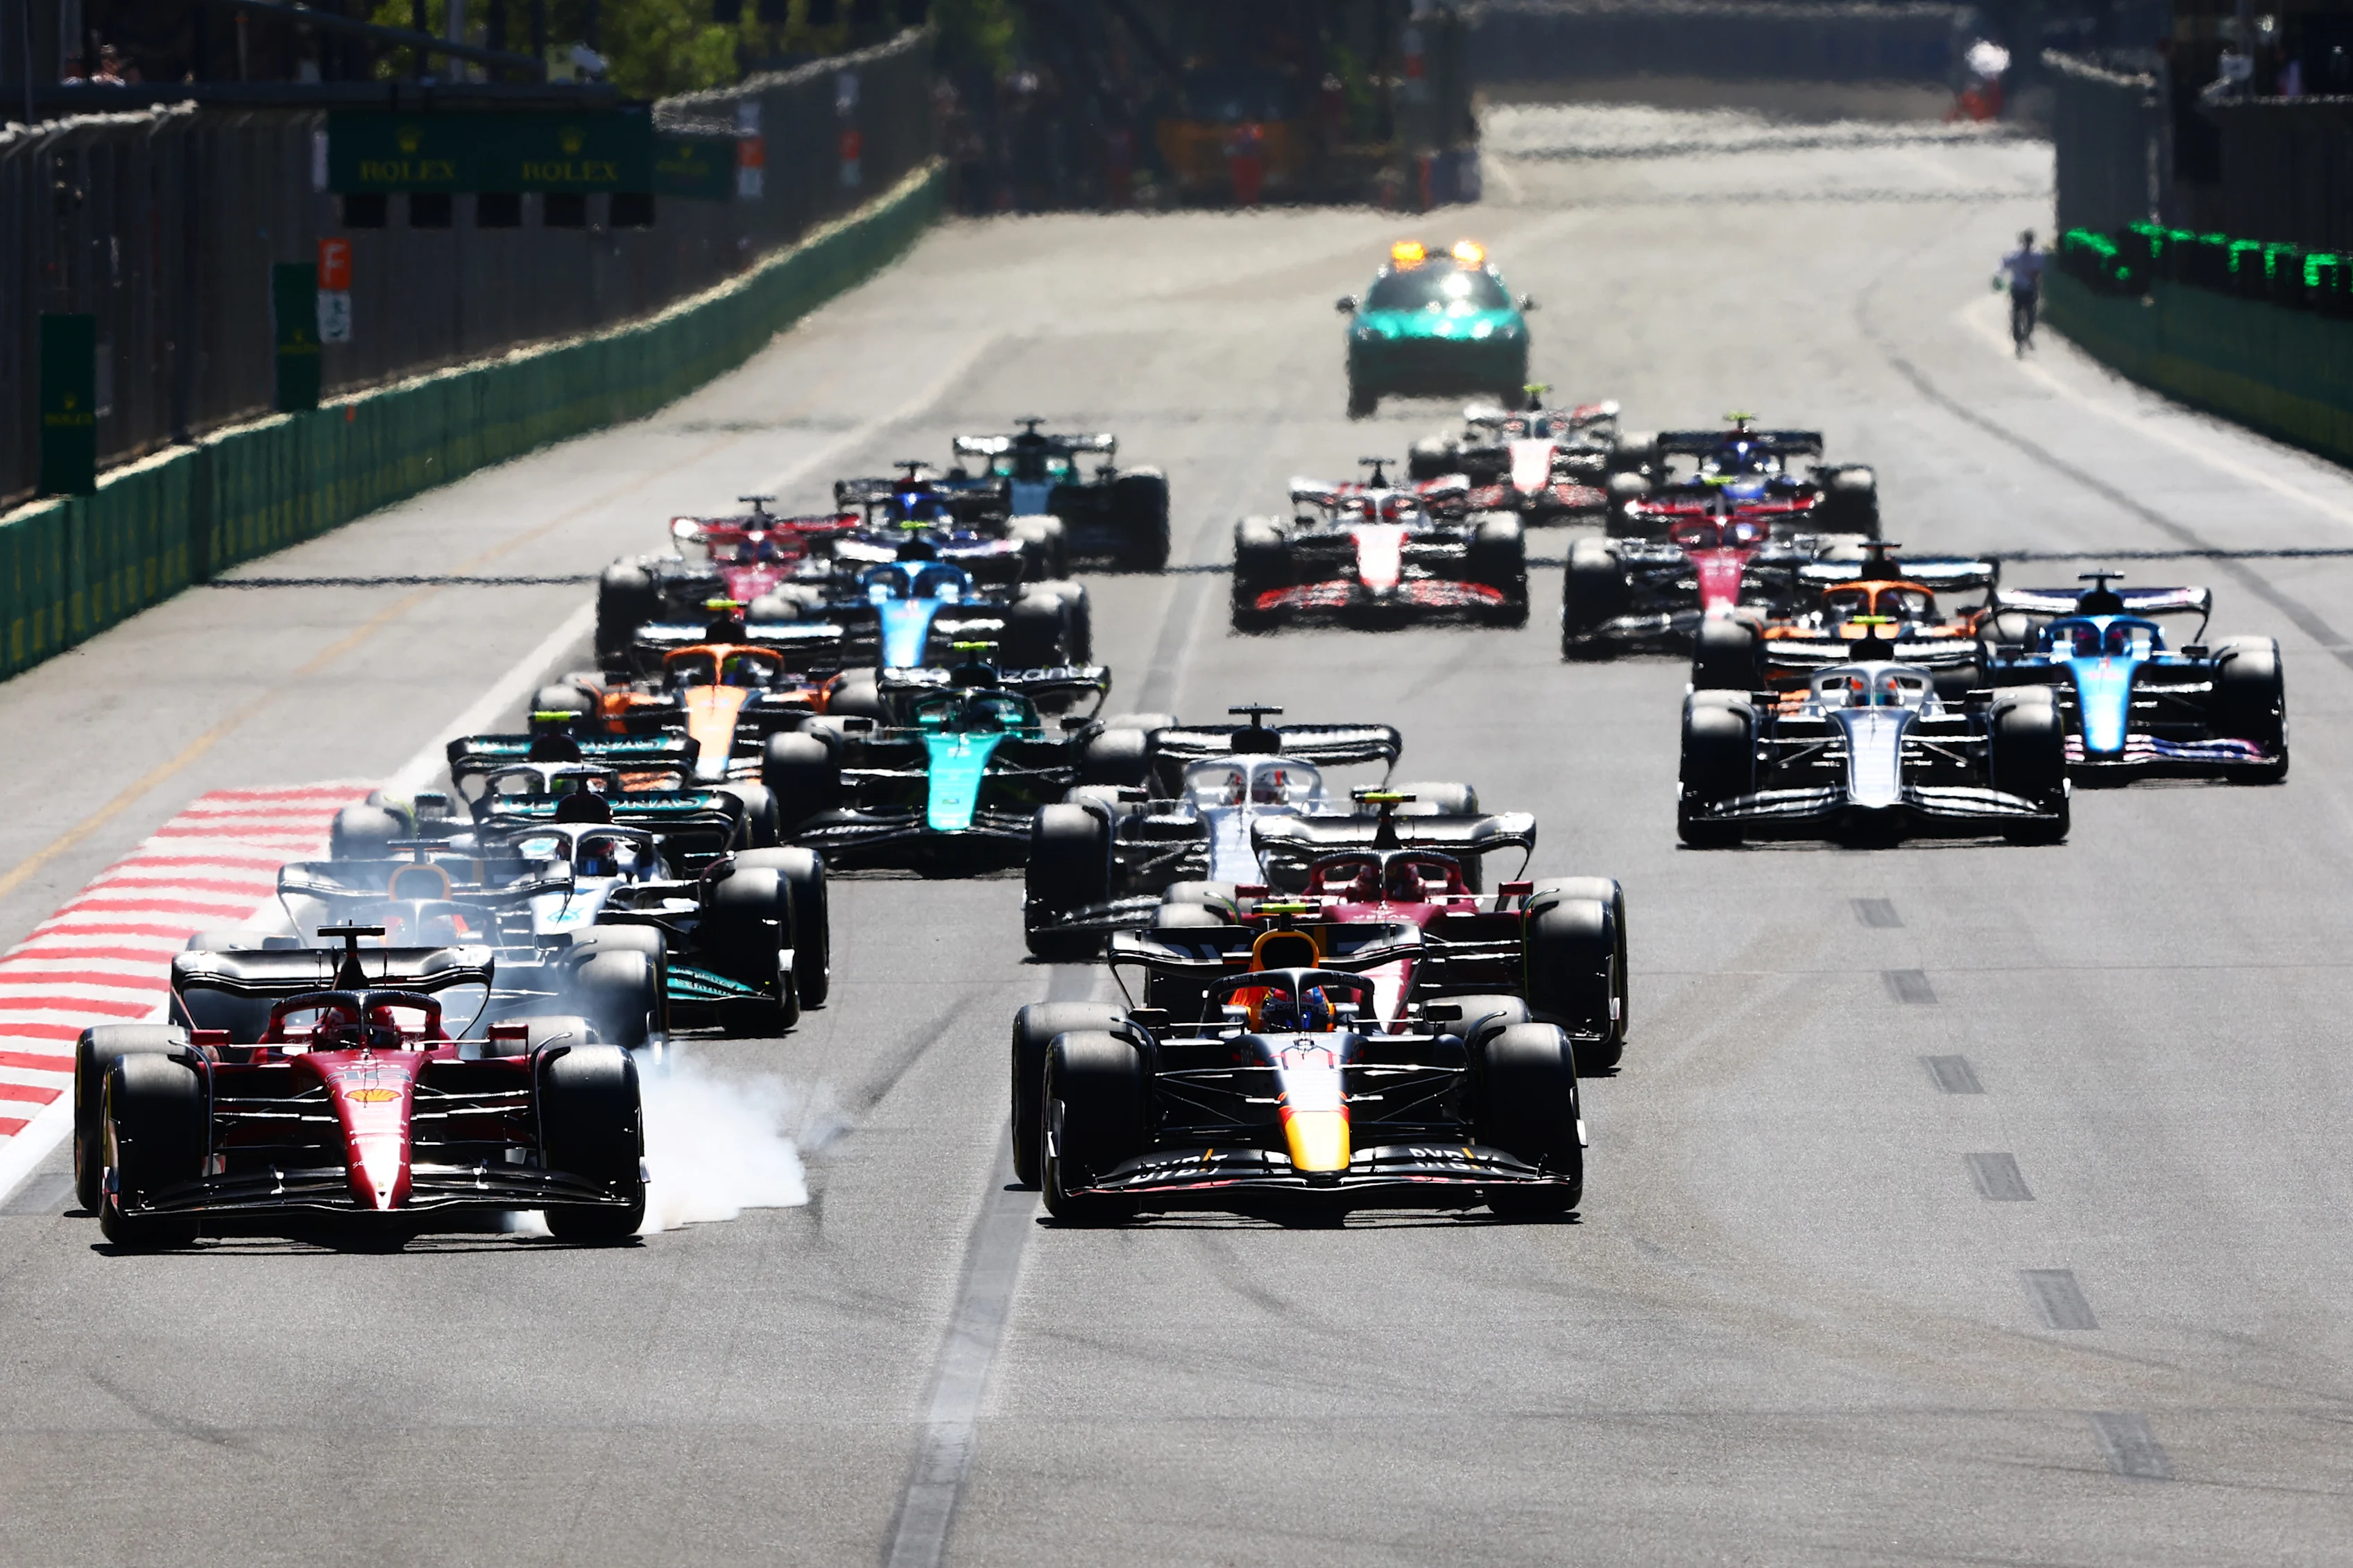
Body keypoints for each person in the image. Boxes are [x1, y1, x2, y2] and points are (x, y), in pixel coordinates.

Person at [1995, 230, 2046, 354]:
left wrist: (1998, 276)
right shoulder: (2037, 256)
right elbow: (2043, 271)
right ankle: (2024, 336)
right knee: (2027, 314)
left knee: (2020, 313)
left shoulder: (2018, 255)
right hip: (2027, 289)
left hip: (2021, 289)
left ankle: (2020, 336)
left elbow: (2003, 265)